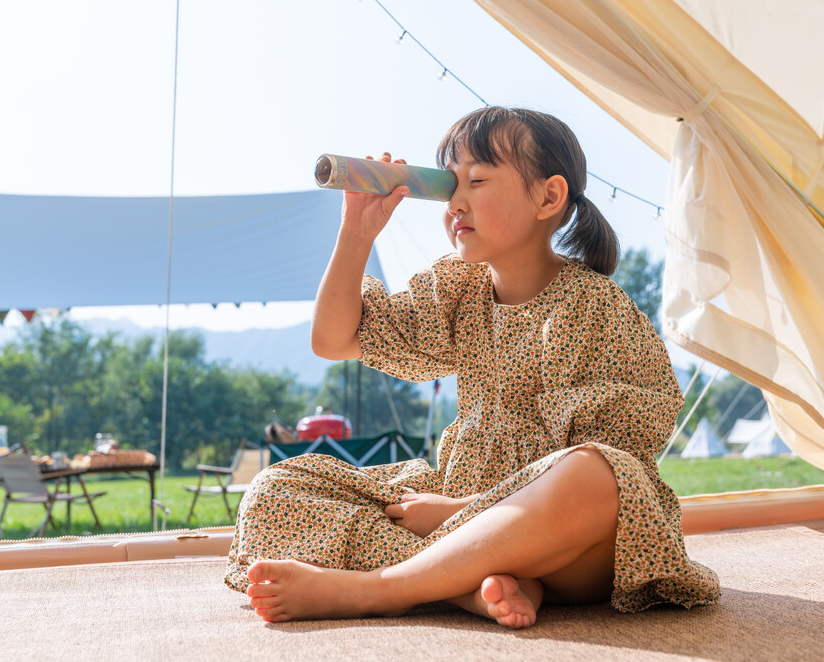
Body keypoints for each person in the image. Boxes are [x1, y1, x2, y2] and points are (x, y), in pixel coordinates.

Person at [225, 106, 720, 628]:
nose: (456, 202)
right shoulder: (458, 290)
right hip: (451, 500)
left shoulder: (596, 306)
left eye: (478, 180)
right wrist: (357, 231)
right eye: (449, 186)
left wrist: (469, 509)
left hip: (567, 544)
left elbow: (627, 449)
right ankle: (470, 589)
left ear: (548, 197)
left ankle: (378, 588)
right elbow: (333, 339)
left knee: (596, 473)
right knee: (277, 488)